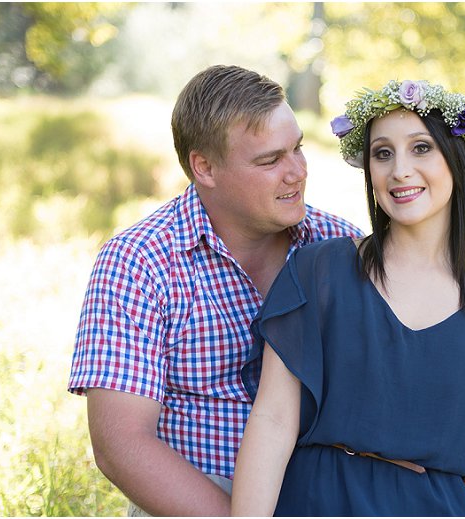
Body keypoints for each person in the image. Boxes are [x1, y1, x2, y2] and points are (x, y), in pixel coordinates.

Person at [231, 79, 465, 516]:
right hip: (319, 502)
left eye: (421, 148)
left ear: (459, 160)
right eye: (382, 153)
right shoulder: (318, 272)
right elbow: (273, 420)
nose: (399, 170)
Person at [67, 65, 364, 516]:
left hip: (327, 494)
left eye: (297, 149)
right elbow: (122, 444)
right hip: (195, 498)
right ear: (204, 167)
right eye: (270, 160)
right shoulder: (139, 261)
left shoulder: (341, 247)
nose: (297, 172)